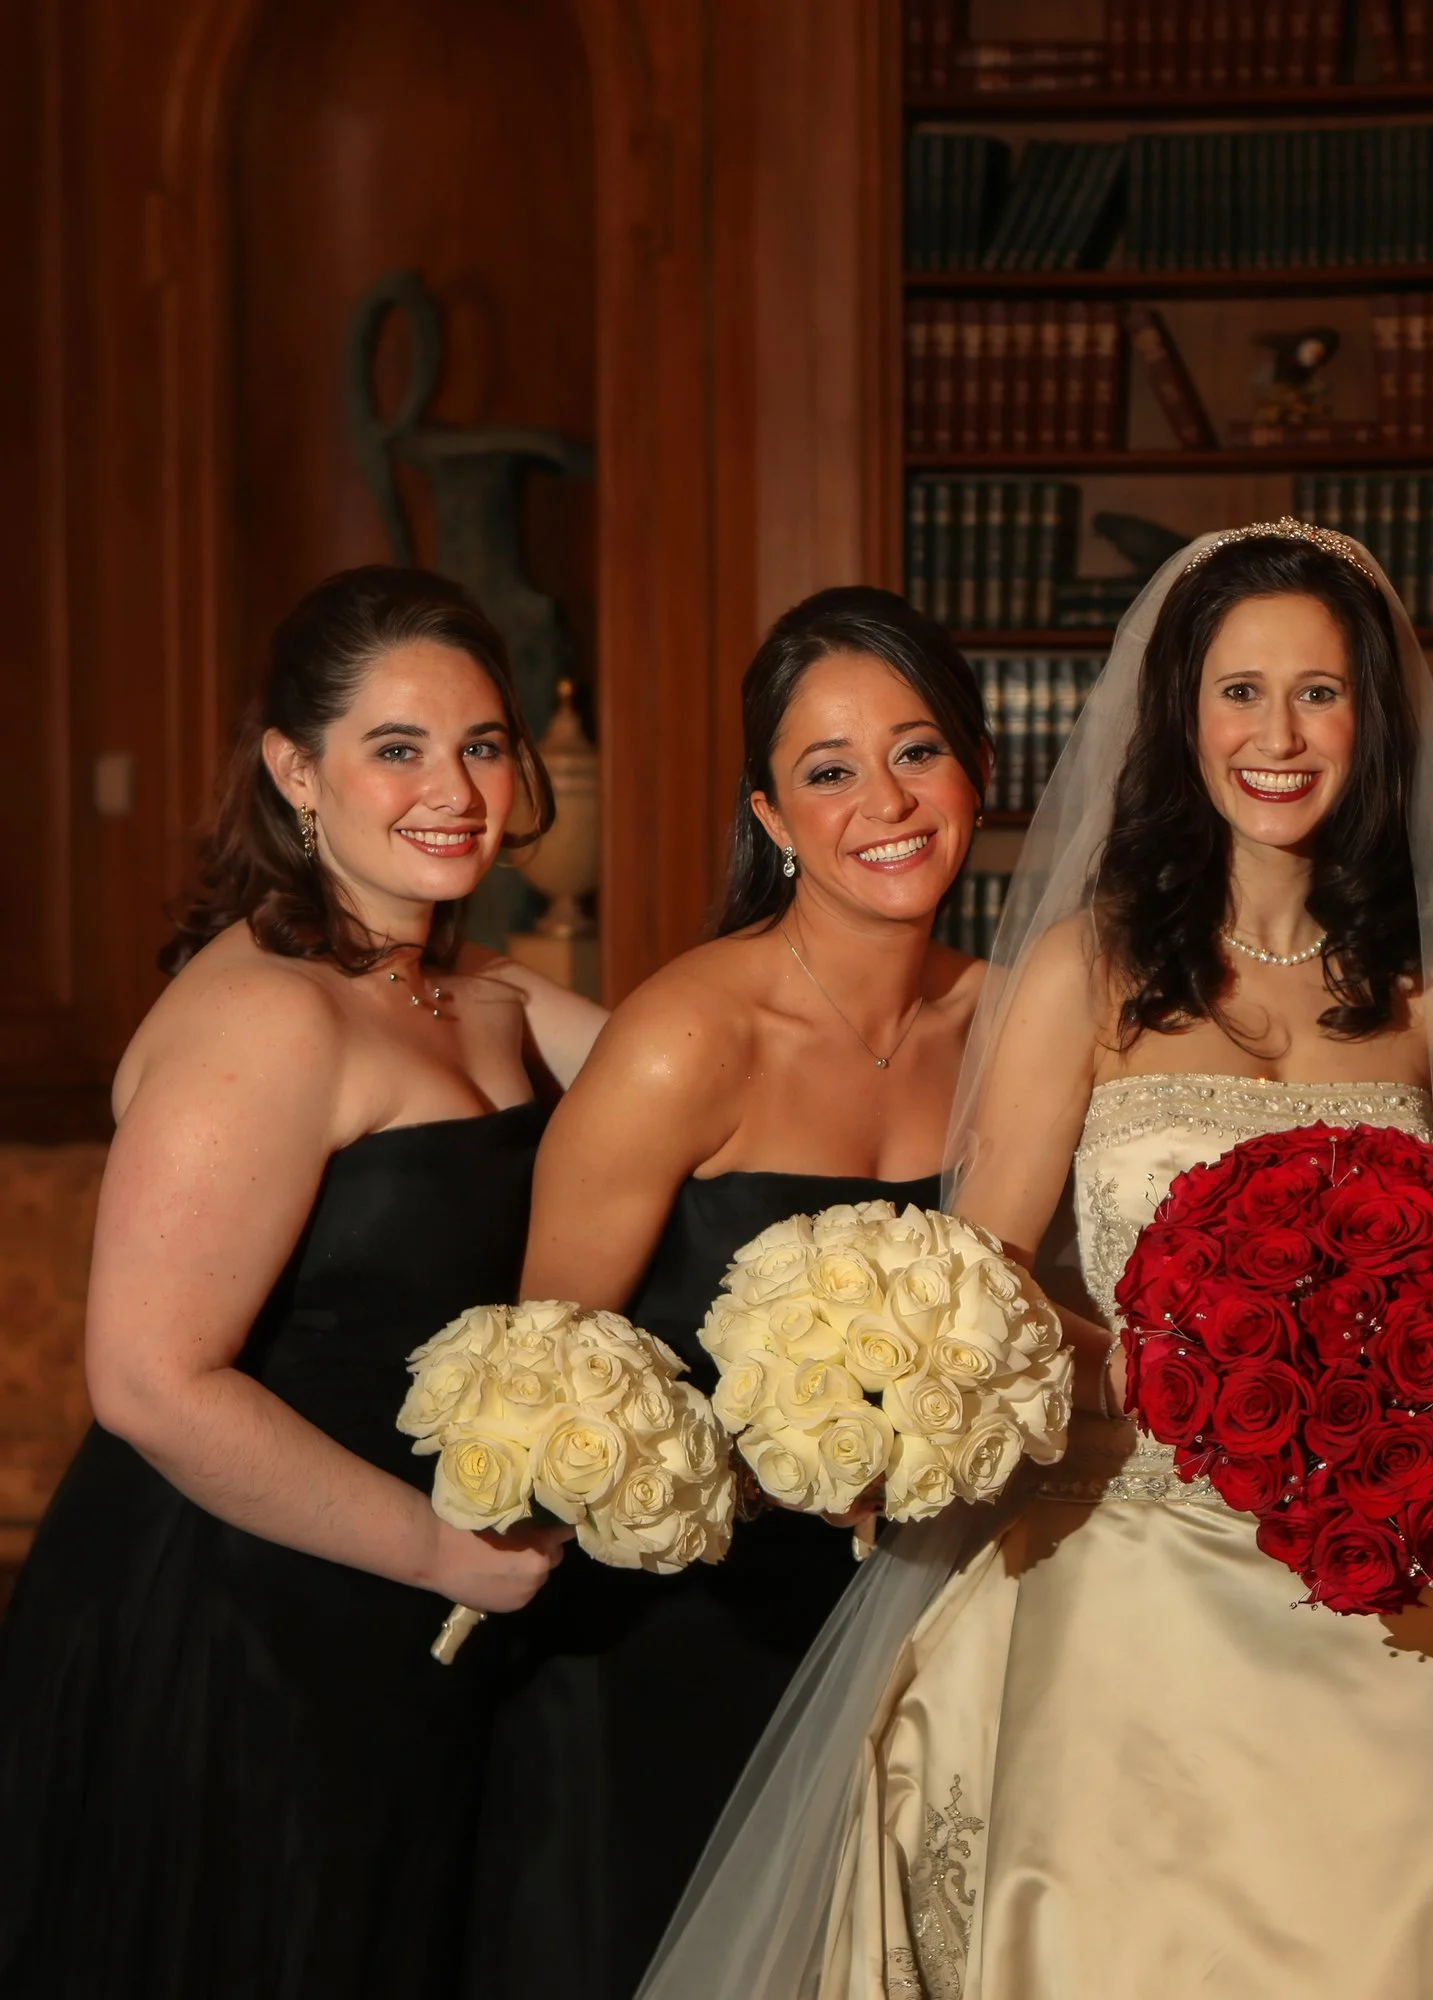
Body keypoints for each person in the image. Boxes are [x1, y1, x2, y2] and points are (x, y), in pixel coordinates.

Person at [640, 522, 1433, 1999]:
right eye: (1241, 691)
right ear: (1182, 713)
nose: (1280, 734)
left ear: (1371, 718)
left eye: (1319, 693)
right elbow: (976, 1300)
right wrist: (1181, 1352)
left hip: (1372, 1531)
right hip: (1122, 1517)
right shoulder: (1089, 967)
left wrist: (1395, 1409)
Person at [0, 567, 603, 1998]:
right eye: (396, 747)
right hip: (233, 1636)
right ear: (294, 770)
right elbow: (149, 1383)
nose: (454, 786)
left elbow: (708, 1085)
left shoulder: (479, 989)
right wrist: (446, 1554)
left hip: (399, 1626)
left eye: (481, 743)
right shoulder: (267, 1013)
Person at [473, 588, 990, 1999]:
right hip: (674, 1647)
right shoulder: (686, 1033)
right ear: (771, 818)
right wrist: (754, 1470)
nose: (882, 800)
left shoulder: (1012, 1026)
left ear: (977, 775)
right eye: (829, 771)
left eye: (918, 752)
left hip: (921, 1641)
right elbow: (540, 1396)